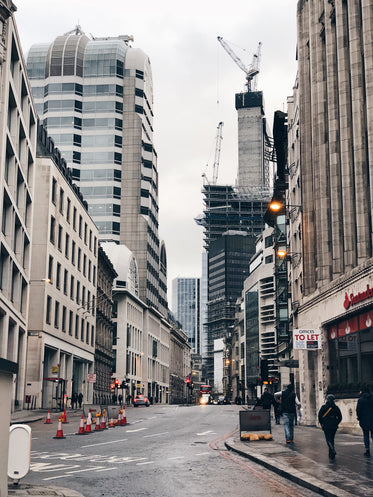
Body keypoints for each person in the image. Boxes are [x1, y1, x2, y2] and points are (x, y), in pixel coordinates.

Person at [318, 394, 342, 459]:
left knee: (328, 439)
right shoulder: (336, 407)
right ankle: (331, 453)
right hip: (334, 426)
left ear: (327, 400)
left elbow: (320, 416)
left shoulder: (323, 407)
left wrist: (322, 423)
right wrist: (336, 423)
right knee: (332, 438)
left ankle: (332, 449)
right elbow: (340, 417)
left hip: (326, 425)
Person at [356, 388, 373, 457]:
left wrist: (359, 418)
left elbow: (358, 410)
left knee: (366, 435)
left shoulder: (361, 400)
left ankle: (367, 450)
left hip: (364, 420)